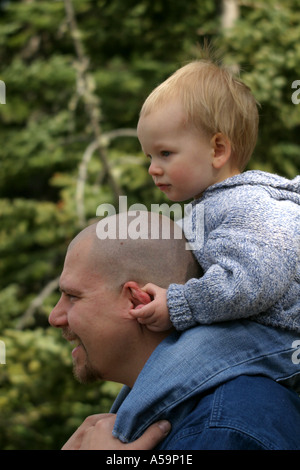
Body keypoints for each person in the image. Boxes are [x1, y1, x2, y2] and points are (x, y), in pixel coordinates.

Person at [49, 212, 300, 450]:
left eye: (72, 296)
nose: (54, 317)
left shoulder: (223, 427)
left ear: (138, 300)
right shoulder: (209, 415)